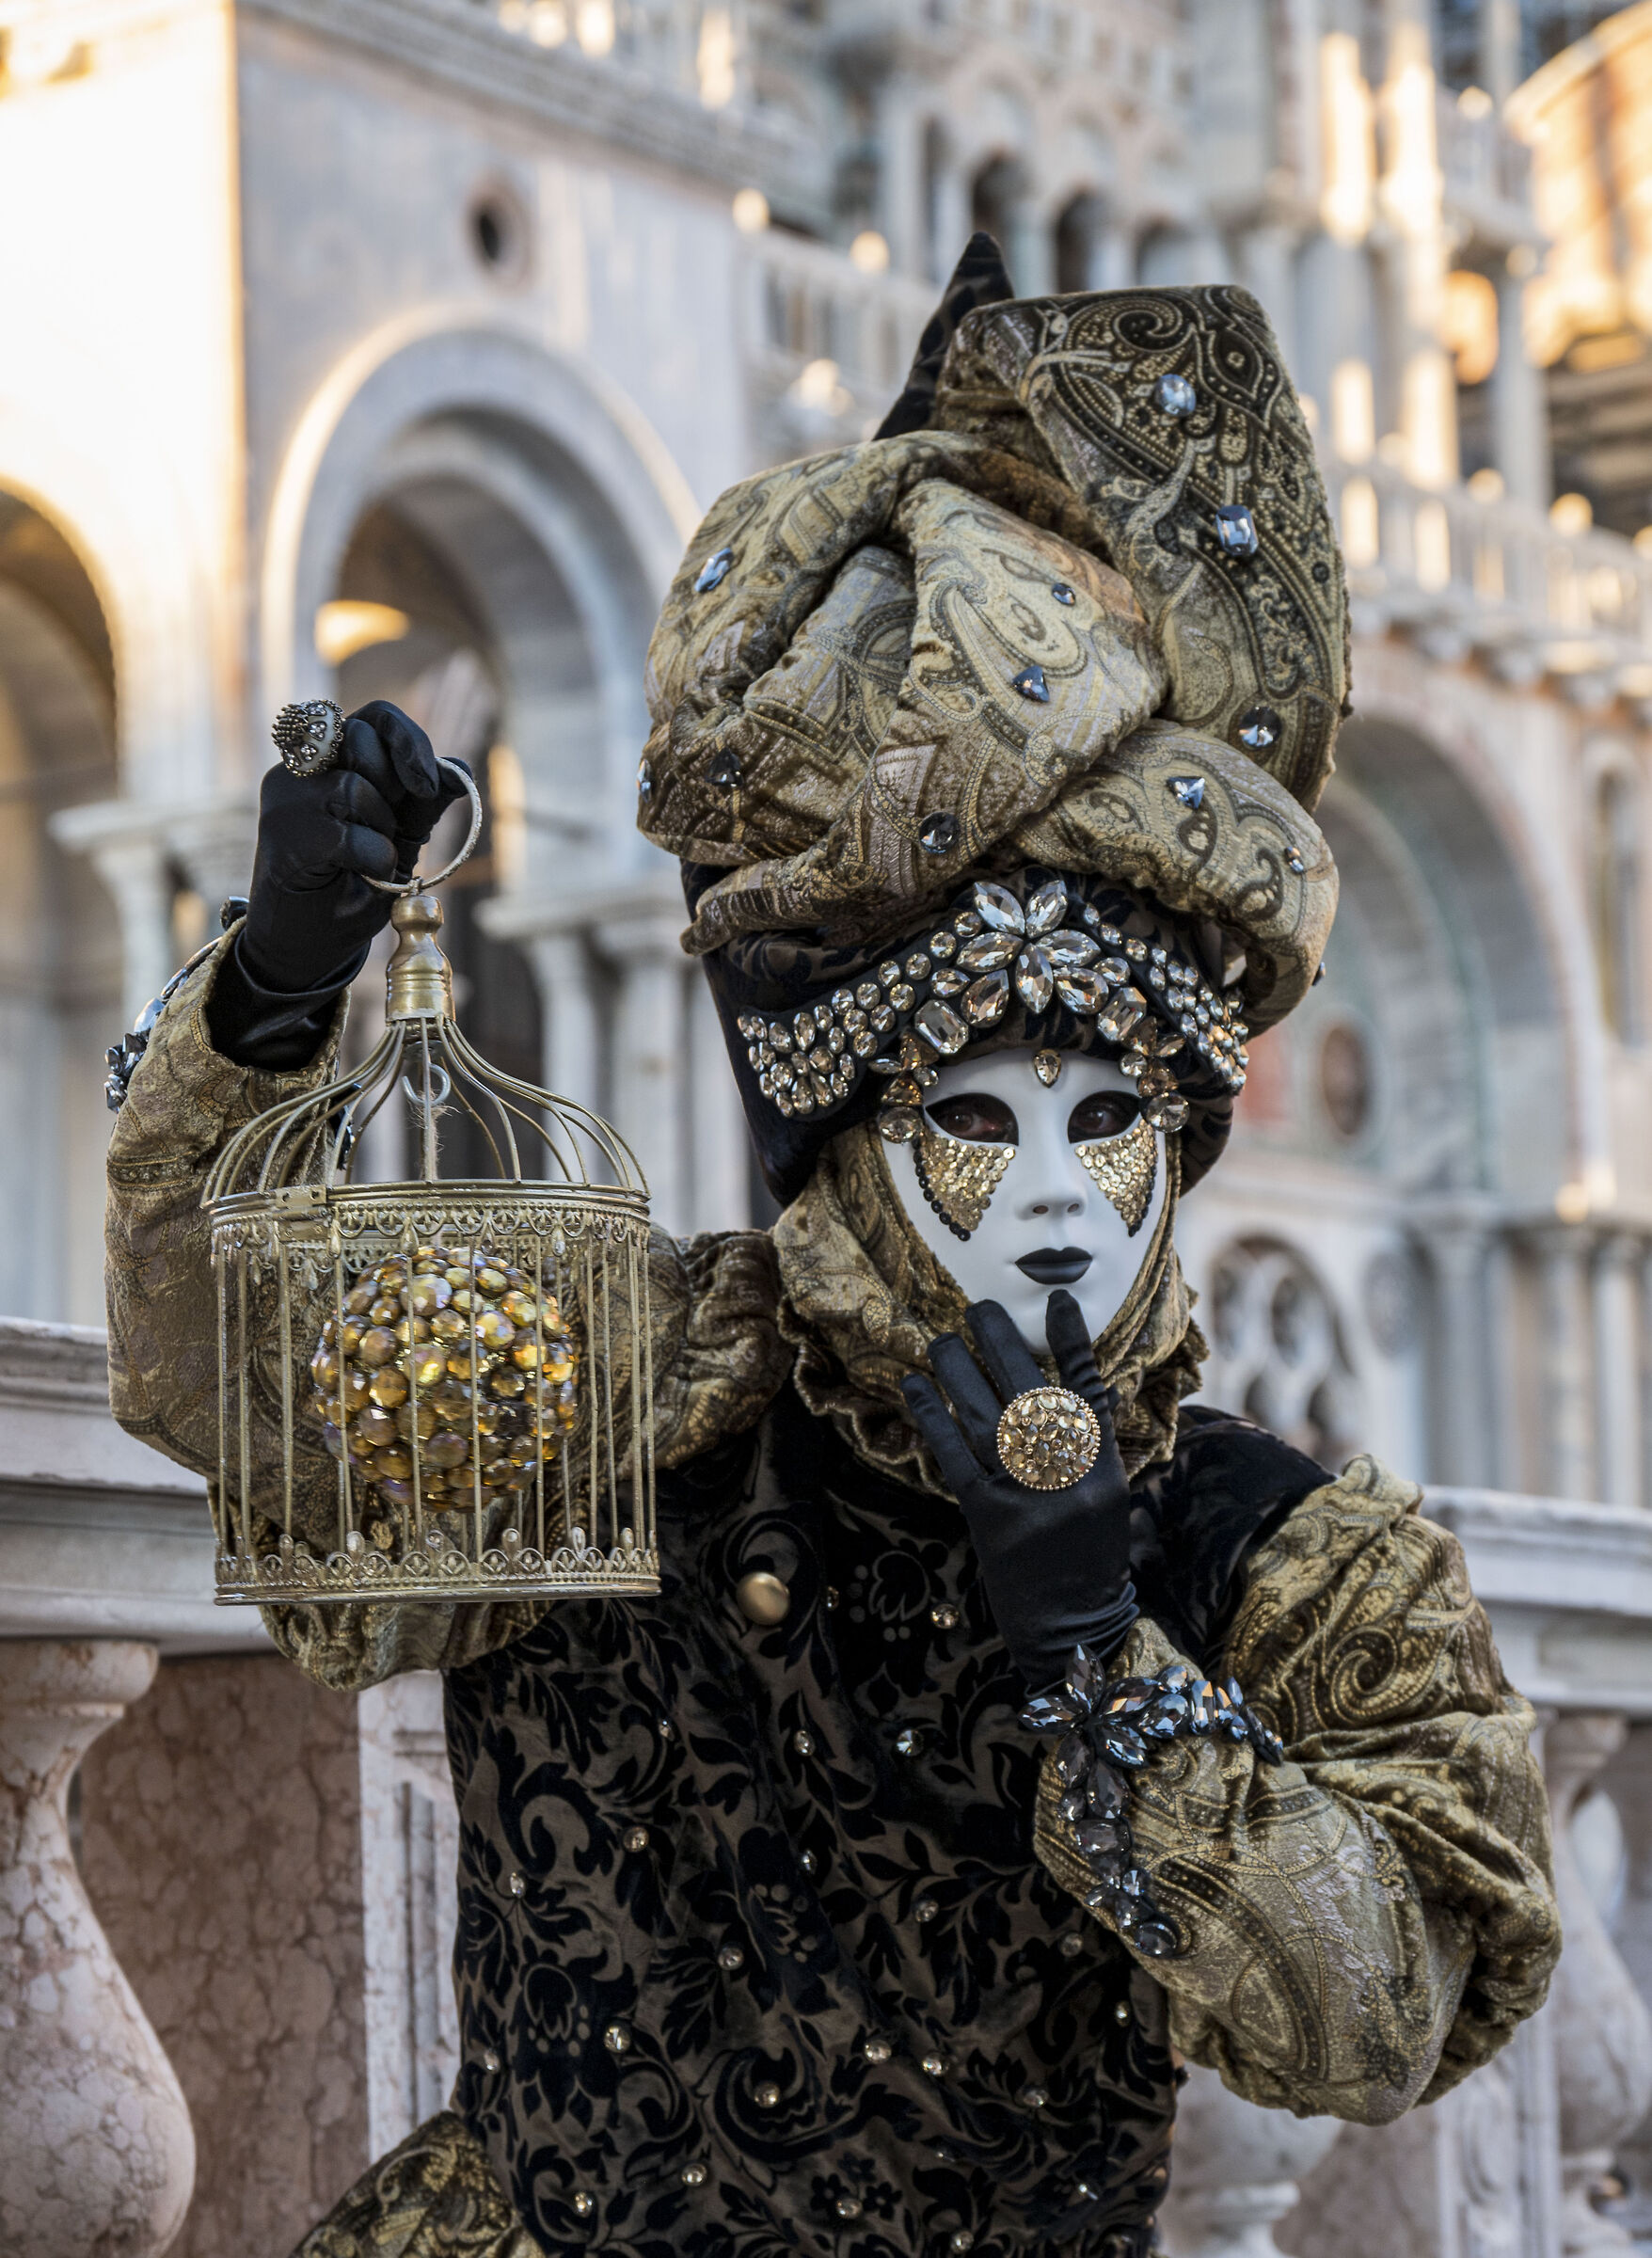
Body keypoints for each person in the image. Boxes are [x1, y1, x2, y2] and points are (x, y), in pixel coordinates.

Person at [103, 246, 1559, 2258]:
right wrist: (271, 997)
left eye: (1109, 1120)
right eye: (971, 1123)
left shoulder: (1274, 1553)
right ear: (845, 1147)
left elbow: (1386, 2016)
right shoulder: (626, 1391)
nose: (1057, 1195)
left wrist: (1099, 1667)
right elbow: (228, 1390)